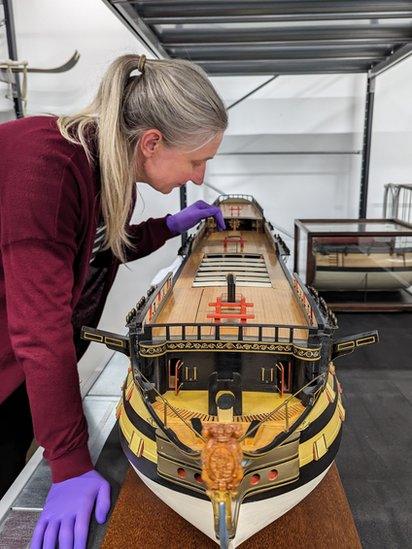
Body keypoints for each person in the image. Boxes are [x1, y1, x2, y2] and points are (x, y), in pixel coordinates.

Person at [0, 53, 227, 548]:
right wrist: (70, 466)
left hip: (20, 369)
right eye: (196, 159)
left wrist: (167, 228)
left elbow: (99, 243)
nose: (197, 176)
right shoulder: (48, 169)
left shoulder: (103, 167)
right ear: (151, 142)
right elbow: (40, 334)